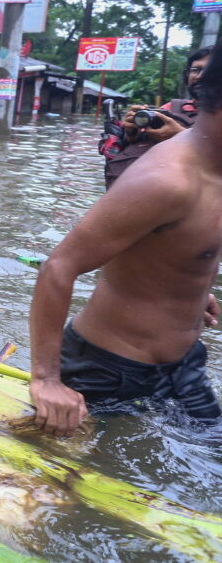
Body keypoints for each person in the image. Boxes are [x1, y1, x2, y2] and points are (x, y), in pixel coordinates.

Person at [28, 46, 222, 436]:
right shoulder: (167, 181)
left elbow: (182, 245)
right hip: (107, 371)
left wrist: (190, 287)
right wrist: (46, 380)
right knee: (69, 488)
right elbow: (59, 266)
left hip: (183, 364)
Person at [99, 47, 211, 188]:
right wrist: (131, 132)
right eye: (195, 70)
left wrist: (179, 136)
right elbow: (136, 146)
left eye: (209, 71)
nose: (200, 76)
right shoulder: (171, 108)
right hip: (134, 192)